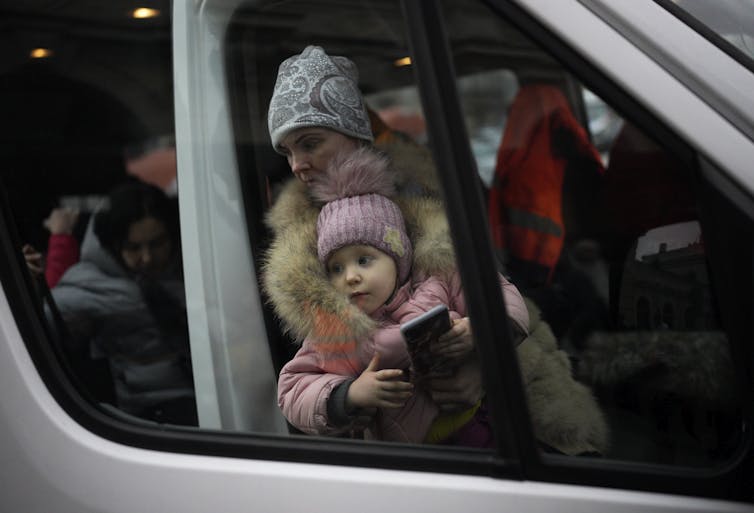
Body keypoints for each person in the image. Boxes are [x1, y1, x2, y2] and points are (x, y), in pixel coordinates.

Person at [264, 46, 608, 454]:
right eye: (287, 152)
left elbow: (499, 294)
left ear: (354, 132)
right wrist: (350, 396)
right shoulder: (299, 242)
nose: (297, 164)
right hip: (405, 442)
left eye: (310, 143)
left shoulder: (429, 189)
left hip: (508, 402)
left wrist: (484, 363)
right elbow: (311, 371)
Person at [277, 148, 529, 445]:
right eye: (335, 268)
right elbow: (292, 389)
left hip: (473, 427)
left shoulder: (441, 280)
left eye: (364, 260)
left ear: (398, 258)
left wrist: (478, 330)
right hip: (407, 457)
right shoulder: (335, 331)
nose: (350, 276)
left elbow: (503, 297)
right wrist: (350, 393)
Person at [49, 181, 196, 425]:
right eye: (133, 247)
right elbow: (46, 326)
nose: (147, 258)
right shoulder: (91, 284)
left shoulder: (196, 269)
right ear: (112, 246)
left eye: (157, 243)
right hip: (143, 418)